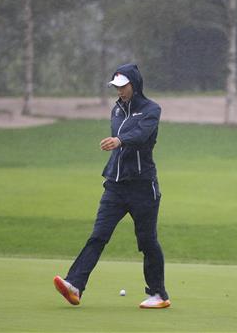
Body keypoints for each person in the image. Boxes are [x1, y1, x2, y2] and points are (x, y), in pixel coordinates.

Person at [53, 63, 170, 309]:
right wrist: (117, 142)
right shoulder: (116, 110)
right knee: (98, 236)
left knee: (147, 241)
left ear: (135, 85)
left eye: (123, 86)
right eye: (116, 87)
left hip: (142, 187)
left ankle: (159, 294)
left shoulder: (151, 110)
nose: (119, 91)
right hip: (115, 186)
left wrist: (119, 140)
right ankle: (74, 285)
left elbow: (141, 135)